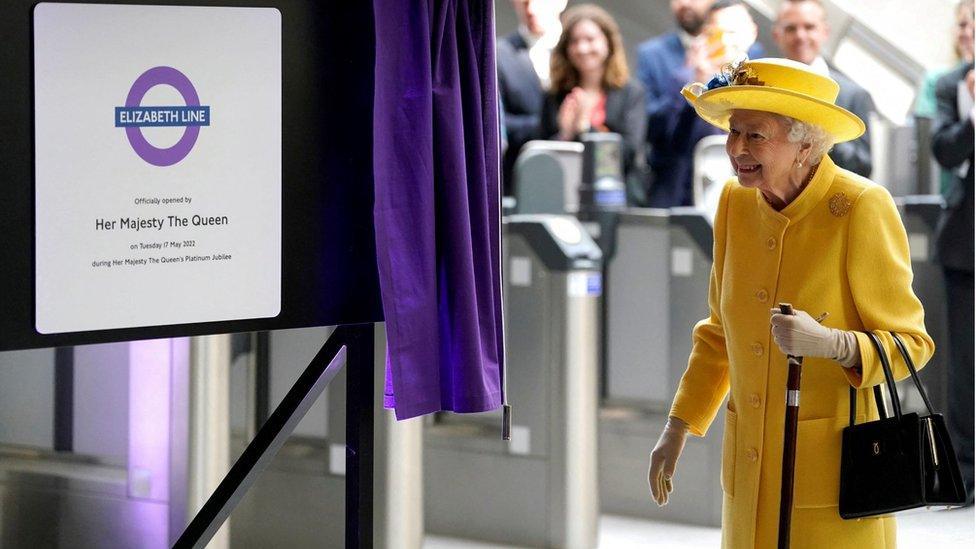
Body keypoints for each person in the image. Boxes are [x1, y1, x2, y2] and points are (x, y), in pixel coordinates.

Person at [647, 58, 934, 547]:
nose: (736, 149)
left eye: (755, 135)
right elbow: (719, 333)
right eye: (733, 132)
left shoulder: (860, 207)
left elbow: (912, 344)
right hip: (747, 476)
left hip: (833, 481)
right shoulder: (735, 204)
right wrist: (677, 427)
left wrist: (834, 343)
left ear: (806, 143)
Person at [637, 0, 763, 208]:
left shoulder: (765, 74)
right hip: (684, 195)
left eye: (733, 33)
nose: (727, 41)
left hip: (745, 194)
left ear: (751, 34)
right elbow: (664, 136)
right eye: (719, 33)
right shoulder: (686, 77)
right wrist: (695, 83)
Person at [931, 0, 975, 505]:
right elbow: (945, 151)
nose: (970, 34)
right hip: (965, 241)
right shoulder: (949, 86)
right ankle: (964, 471)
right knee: (965, 367)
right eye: (964, 25)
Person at [540, 4, 646, 183]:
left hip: (616, 195)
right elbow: (541, 155)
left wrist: (585, 129)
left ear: (608, 43)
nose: (582, 48)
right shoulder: (555, 94)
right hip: (562, 189)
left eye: (590, 39)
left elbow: (628, 154)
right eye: (574, 41)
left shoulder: (630, 93)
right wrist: (565, 134)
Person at [772, 0, 875, 177]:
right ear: (776, 35)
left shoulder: (854, 95)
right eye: (791, 28)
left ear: (825, 32)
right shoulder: (763, 90)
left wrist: (819, 127)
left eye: (809, 27)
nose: (800, 36)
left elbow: (863, 167)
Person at [497, 0, 567, 195]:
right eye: (524, 2)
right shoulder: (499, 54)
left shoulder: (579, 49)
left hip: (571, 179)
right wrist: (554, 125)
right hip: (518, 180)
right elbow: (496, 122)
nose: (531, 9)